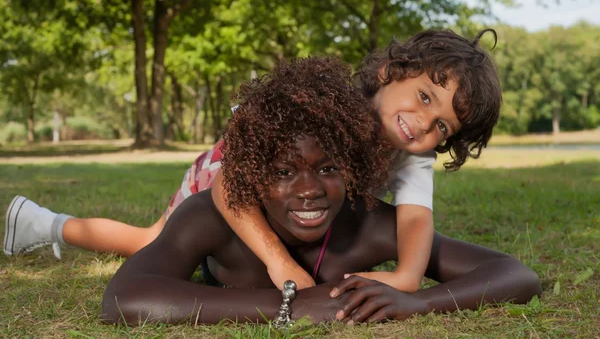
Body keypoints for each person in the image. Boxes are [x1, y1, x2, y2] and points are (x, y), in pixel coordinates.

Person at [4, 29, 502, 295]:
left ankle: (45, 223)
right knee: (150, 242)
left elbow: (415, 221)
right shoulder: (324, 103)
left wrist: (408, 278)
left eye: (442, 127)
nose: (423, 121)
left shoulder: (408, 157)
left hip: (291, 193)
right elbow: (230, 191)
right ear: (391, 72)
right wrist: (279, 261)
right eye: (422, 96)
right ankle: (44, 224)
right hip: (232, 166)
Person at [101, 57, 539, 326]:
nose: (308, 189)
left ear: (353, 165)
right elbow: (125, 298)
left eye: (328, 168)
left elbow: (515, 275)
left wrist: (415, 300)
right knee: (145, 240)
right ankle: (54, 226)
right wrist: (285, 306)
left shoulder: (367, 222)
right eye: (285, 171)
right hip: (217, 167)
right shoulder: (213, 214)